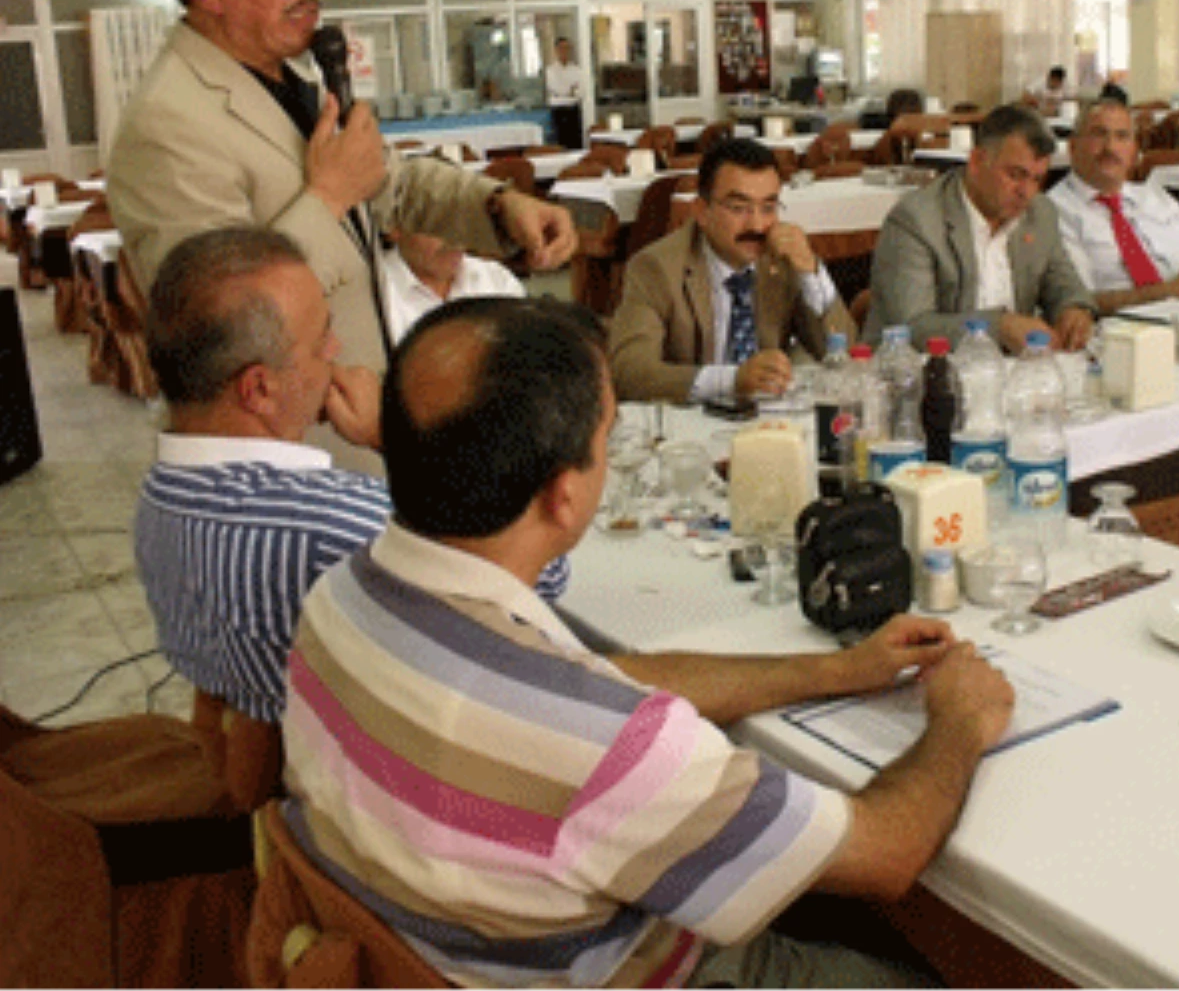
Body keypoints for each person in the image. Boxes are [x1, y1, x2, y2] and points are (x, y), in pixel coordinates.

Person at [280, 295, 1014, 989]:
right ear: (564, 495)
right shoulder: (607, 750)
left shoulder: (343, 599)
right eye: (606, 436)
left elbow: (599, 677)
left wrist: (835, 670)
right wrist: (959, 721)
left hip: (434, 942)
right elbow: (885, 853)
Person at [106, 0, 574, 469]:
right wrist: (326, 198)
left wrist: (498, 205)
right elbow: (213, 328)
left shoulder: (287, 76)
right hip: (285, 461)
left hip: (361, 424)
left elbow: (386, 179)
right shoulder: (166, 125)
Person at [136, 227, 565, 725]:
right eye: (321, 342)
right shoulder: (333, 523)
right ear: (259, 389)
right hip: (371, 774)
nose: (337, 348)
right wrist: (398, 435)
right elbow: (537, 575)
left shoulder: (158, 495)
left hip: (264, 751)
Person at [608, 136, 854, 402]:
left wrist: (811, 273)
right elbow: (629, 374)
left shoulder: (784, 258)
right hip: (690, 428)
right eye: (739, 208)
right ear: (702, 211)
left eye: (769, 207)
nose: (758, 226)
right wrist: (732, 380)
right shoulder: (656, 267)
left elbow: (845, 356)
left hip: (772, 424)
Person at [865, 103, 1096, 354]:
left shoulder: (1040, 213)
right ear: (976, 161)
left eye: (1038, 179)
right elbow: (913, 328)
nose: (1026, 192)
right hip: (920, 377)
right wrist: (999, 327)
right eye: (1015, 175)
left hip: (1010, 377)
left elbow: (1064, 284)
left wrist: (1074, 310)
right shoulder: (916, 220)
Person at [1048, 99, 1179, 313]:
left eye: (1122, 136)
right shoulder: (1053, 211)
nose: (1111, 148)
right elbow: (1079, 302)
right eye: (1098, 134)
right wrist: (1171, 292)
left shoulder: (1156, 198)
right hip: (1117, 334)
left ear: (1134, 151)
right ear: (1073, 147)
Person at [380, 226, 525, 341]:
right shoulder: (373, 291)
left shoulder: (497, 280)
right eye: (438, 224)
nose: (455, 239)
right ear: (394, 228)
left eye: (461, 223)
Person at [544, 35, 584, 149]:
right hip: (558, 110)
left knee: (575, 143)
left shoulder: (577, 70)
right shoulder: (550, 70)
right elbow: (555, 89)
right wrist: (570, 89)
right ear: (556, 50)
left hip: (573, 110)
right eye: (561, 48)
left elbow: (580, 91)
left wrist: (570, 91)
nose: (564, 51)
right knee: (559, 144)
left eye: (567, 48)